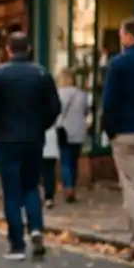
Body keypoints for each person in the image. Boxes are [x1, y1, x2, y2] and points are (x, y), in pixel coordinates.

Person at [0, 32, 60, 261]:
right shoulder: (42, 74)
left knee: (12, 191)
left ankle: (17, 244)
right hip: (33, 138)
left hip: (6, 140)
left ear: (8, 50)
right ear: (29, 48)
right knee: (31, 186)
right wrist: (41, 126)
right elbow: (54, 107)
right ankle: (35, 227)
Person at [101, 17, 134, 260]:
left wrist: (112, 132)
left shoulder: (118, 64)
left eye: (122, 34)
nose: (120, 39)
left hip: (127, 133)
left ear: (130, 37)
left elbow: (109, 103)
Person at [56, 68, 90, 203]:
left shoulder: (59, 93)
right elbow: (86, 111)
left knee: (65, 160)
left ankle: (68, 186)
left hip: (64, 130)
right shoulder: (81, 94)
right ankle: (73, 187)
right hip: (79, 131)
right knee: (74, 160)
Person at [42, 125, 59, 209]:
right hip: (51, 146)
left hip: (39, 145)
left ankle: (43, 195)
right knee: (50, 172)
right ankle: (49, 197)